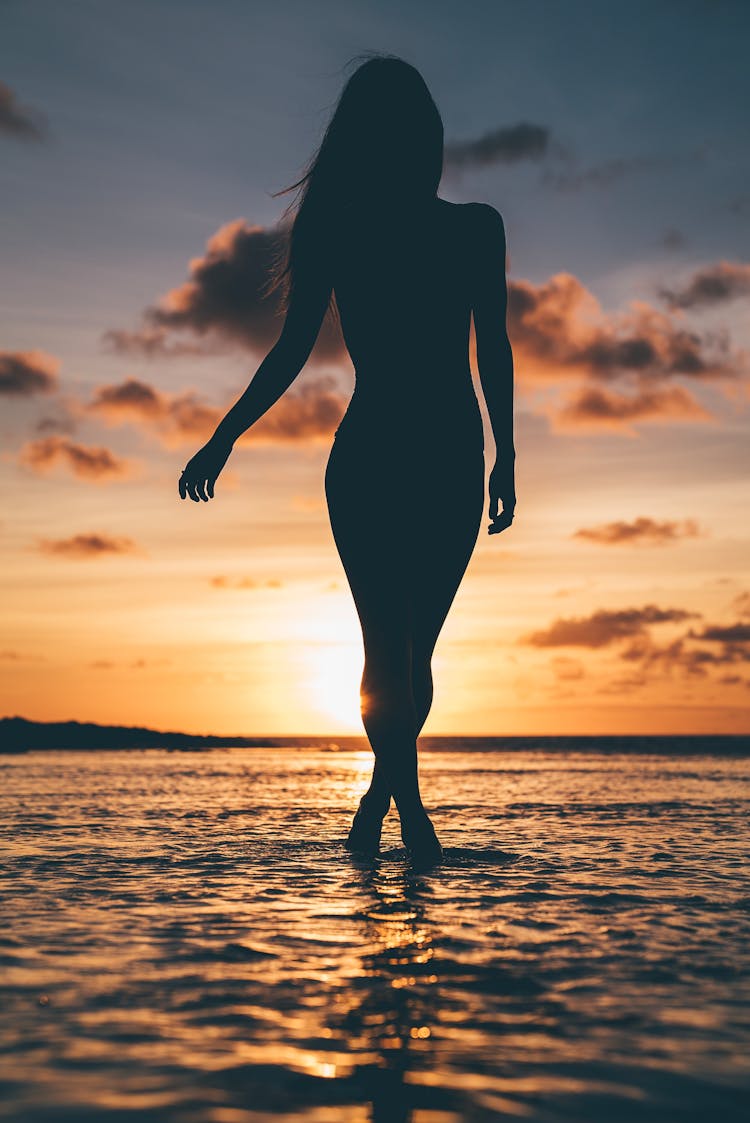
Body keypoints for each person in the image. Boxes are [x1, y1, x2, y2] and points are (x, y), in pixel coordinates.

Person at [178, 53, 516, 867]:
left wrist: (508, 454)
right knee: (387, 651)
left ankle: (377, 799)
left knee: (413, 654)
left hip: (444, 460)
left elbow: (494, 346)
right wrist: (224, 434)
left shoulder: (475, 226)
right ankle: (416, 820)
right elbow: (292, 349)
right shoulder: (344, 229)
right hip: (382, 458)